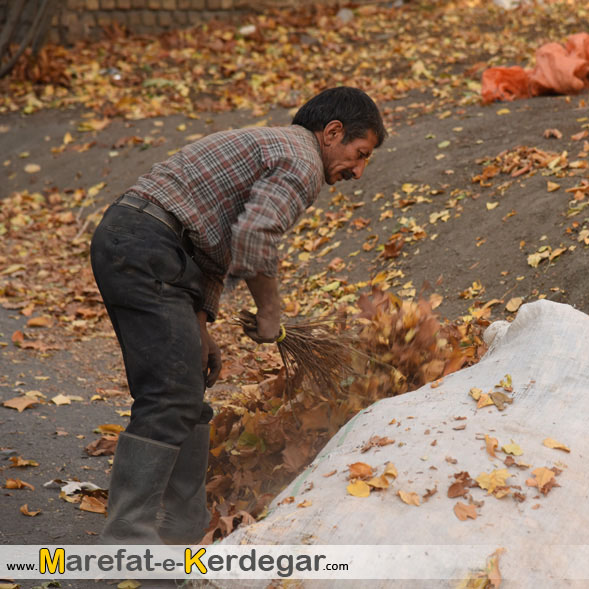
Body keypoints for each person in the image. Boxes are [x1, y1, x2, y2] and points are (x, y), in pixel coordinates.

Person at [90, 86, 386, 545]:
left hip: (146, 245)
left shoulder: (278, 148)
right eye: (360, 153)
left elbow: (213, 238)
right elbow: (255, 233)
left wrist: (201, 324)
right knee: (169, 397)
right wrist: (270, 310)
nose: (360, 171)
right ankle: (128, 538)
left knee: (188, 396)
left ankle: (180, 532)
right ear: (332, 132)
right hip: (147, 246)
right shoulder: (303, 161)